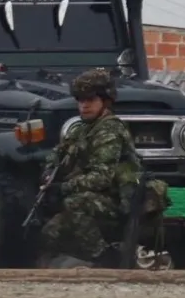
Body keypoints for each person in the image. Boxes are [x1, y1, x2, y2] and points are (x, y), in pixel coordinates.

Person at [38, 68, 141, 268]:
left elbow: (101, 178)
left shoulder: (109, 130)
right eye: (80, 100)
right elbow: (57, 153)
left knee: (75, 203)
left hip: (115, 200)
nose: (84, 106)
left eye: (90, 100)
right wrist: (49, 172)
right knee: (50, 232)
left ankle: (107, 258)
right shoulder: (83, 129)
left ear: (105, 101)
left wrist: (62, 187)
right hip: (94, 198)